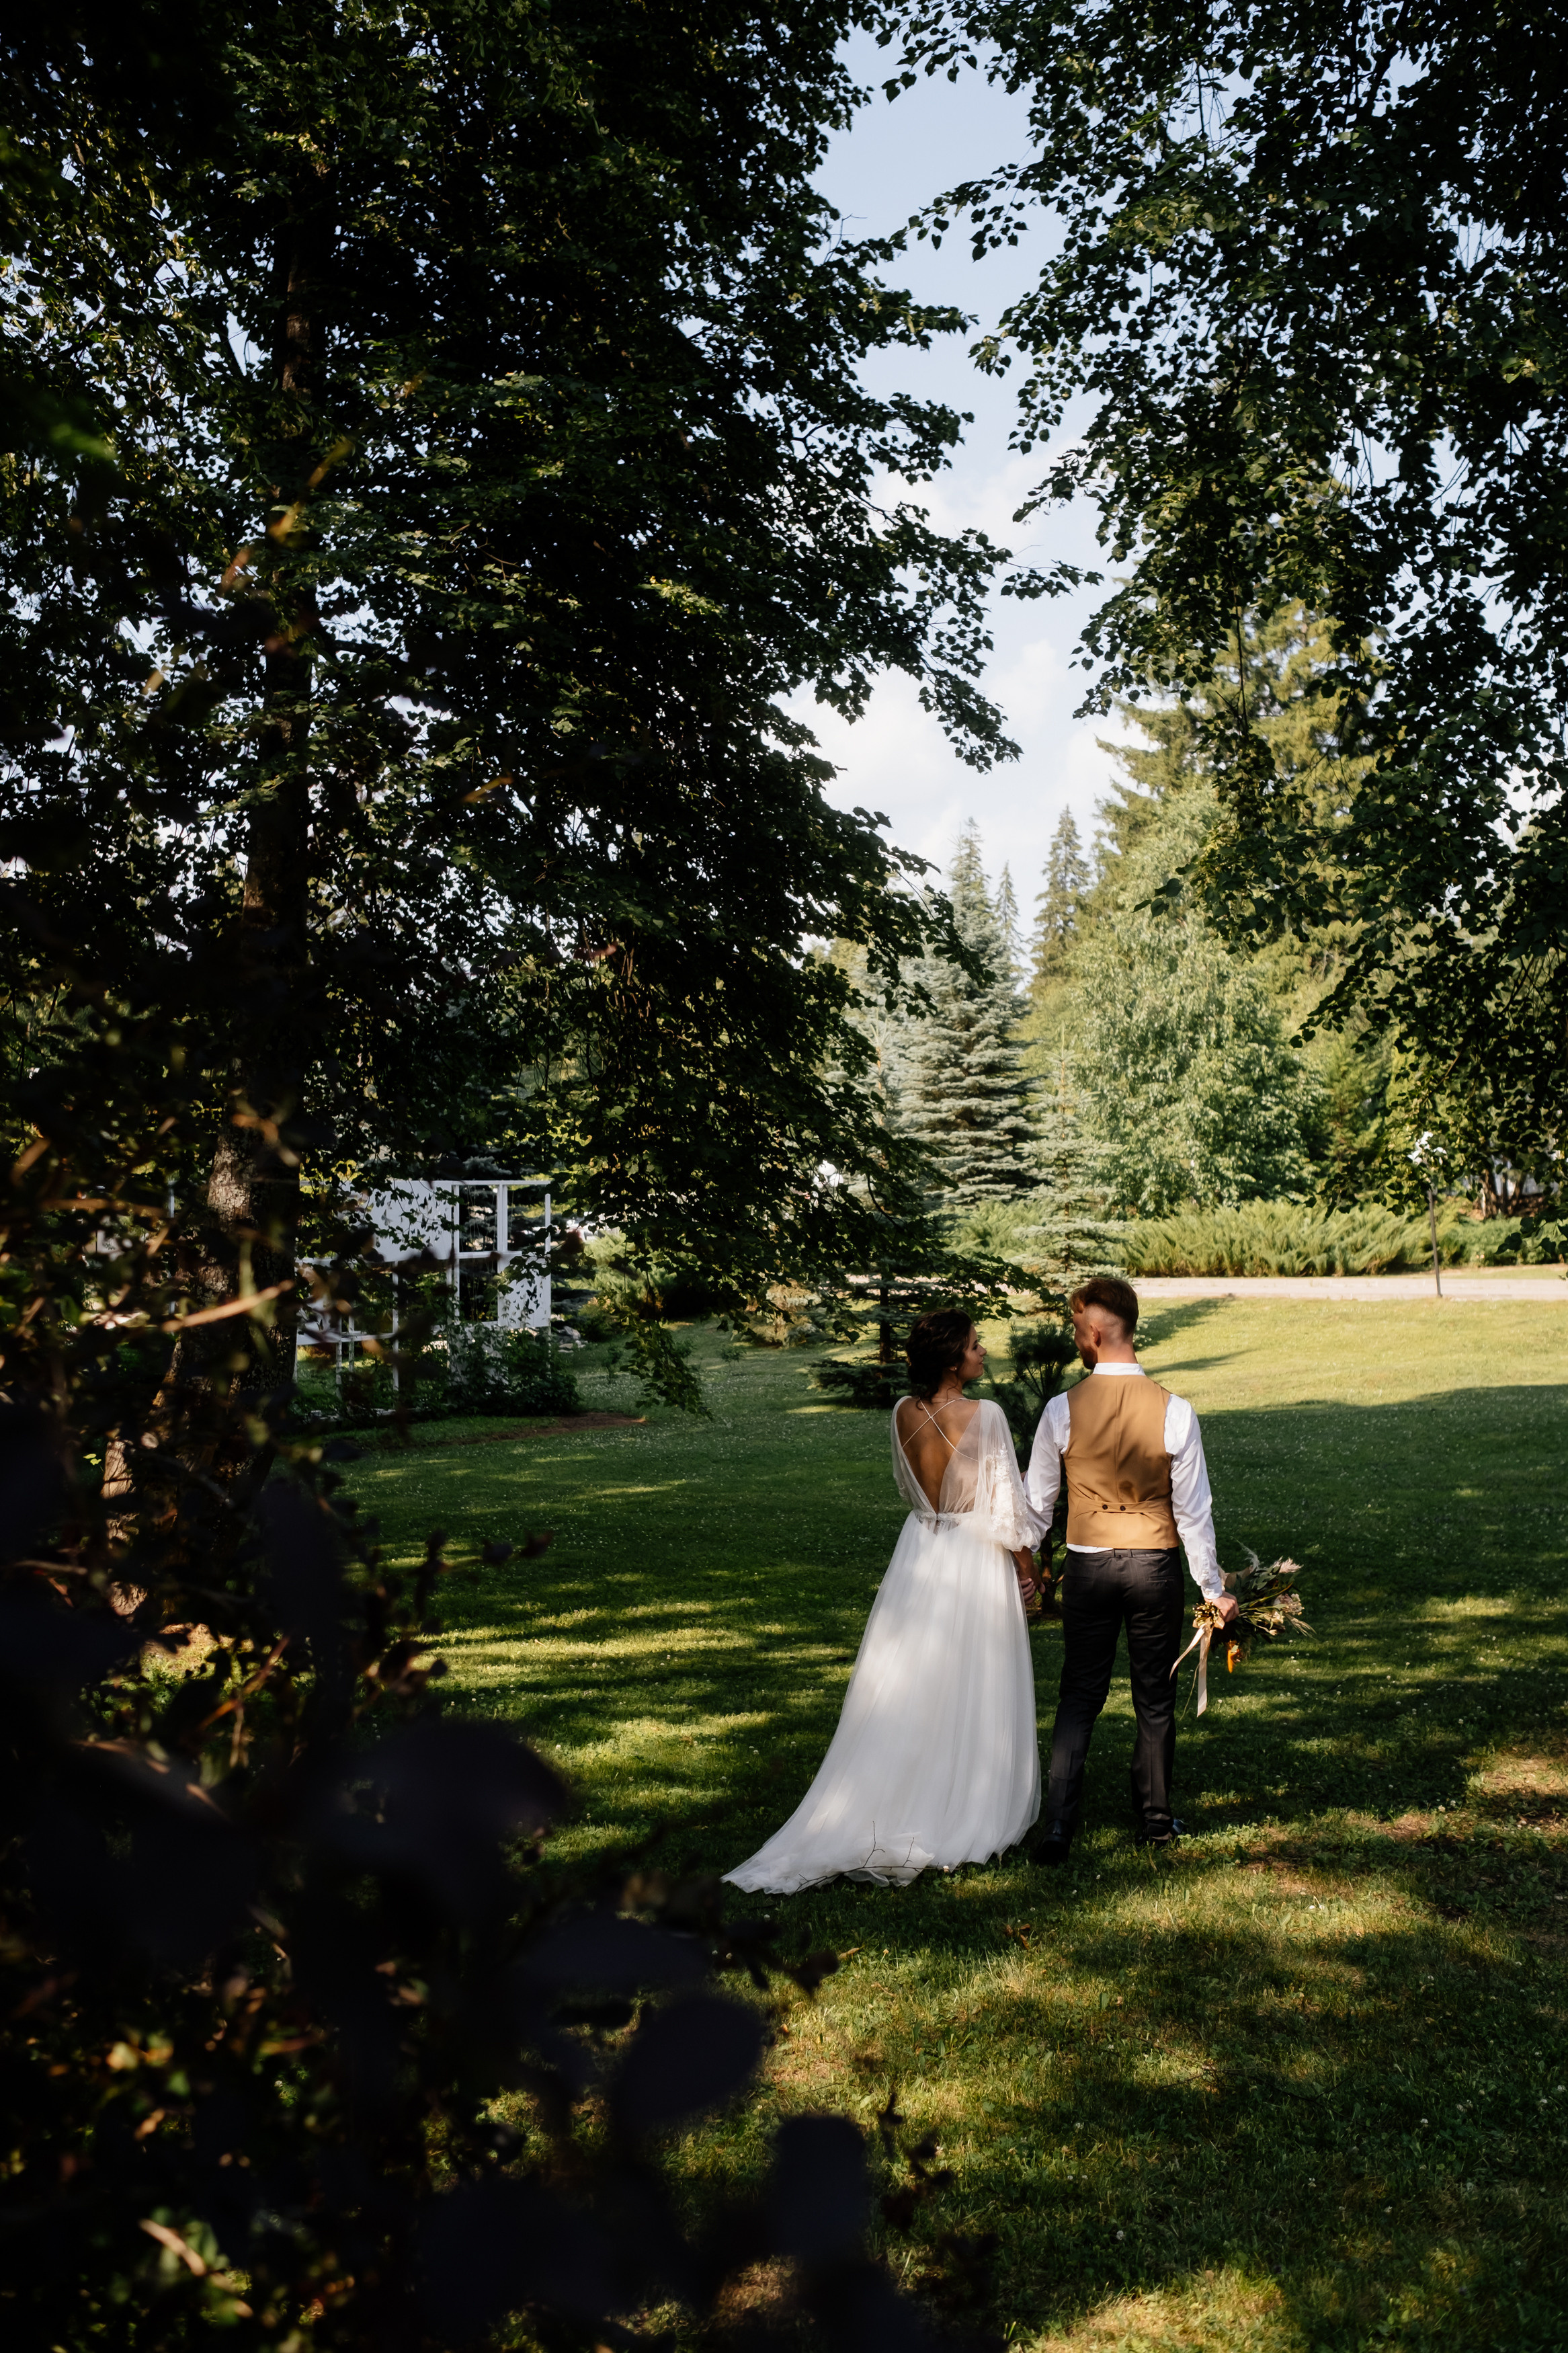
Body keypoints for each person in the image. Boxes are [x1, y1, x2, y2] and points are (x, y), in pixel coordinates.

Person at [724, 1309, 1045, 1894]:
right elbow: (1006, 1507)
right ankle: (960, 1802)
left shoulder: (902, 1412)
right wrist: (1027, 1572)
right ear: (953, 1361)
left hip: (921, 1548)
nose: (982, 1352)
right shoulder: (987, 1415)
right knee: (972, 1675)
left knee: (909, 1677)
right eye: (975, 1346)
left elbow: (909, 1486)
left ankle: (898, 1786)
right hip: (973, 1555)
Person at [1025, 1275, 1237, 1862]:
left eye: (1075, 1328)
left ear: (1094, 1332)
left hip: (1090, 1570)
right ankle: (1154, 1821)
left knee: (1078, 1695)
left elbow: (1036, 1507)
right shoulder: (1175, 1410)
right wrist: (1213, 1590)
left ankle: (1058, 1829)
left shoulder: (1060, 1410)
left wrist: (1025, 1567)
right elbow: (1194, 1513)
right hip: (1155, 1570)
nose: (1075, 1337)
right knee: (1154, 1697)